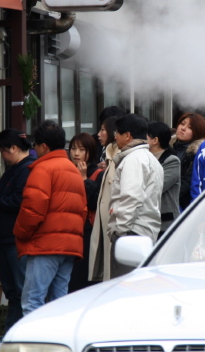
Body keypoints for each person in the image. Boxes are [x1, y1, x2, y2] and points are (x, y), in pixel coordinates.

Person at [14, 120, 87, 316]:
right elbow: (83, 210)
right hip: (69, 246)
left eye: (35, 145)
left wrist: (20, 232)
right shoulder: (73, 170)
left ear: (43, 146)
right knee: (59, 303)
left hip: (45, 245)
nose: (34, 150)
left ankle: (32, 346)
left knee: (32, 302)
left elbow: (32, 209)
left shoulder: (42, 169)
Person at [0, 129, 35, 348]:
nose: (2, 156)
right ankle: (12, 335)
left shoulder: (27, 169)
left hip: (16, 237)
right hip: (6, 236)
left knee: (19, 290)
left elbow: (19, 199)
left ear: (14, 149)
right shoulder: (15, 169)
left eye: (2, 151)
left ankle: (19, 336)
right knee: (13, 290)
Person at [108, 114, 164, 278]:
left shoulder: (134, 159)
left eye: (117, 133)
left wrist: (120, 232)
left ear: (127, 136)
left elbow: (131, 198)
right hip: (145, 234)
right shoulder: (150, 159)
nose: (115, 137)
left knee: (124, 290)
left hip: (131, 235)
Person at [67, 132, 101, 293]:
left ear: (91, 151)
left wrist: (83, 179)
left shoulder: (98, 173)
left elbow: (94, 203)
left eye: (81, 149)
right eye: (73, 148)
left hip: (88, 231)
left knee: (82, 281)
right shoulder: (66, 171)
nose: (76, 153)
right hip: (69, 230)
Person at [88, 115, 120, 282]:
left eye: (102, 130)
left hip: (115, 227)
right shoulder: (108, 155)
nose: (98, 134)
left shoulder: (120, 157)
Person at [147, 121, 181, 236]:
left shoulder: (171, 161)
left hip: (166, 224)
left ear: (155, 140)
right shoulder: (145, 158)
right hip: (148, 222)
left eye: (145, 136)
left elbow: (157, 186)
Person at [170, 113, 205, 210]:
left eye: (189, 127)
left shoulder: (197, 153)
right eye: (182, 124)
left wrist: (169, 197)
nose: (183, 128)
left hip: (182, 204)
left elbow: (187, 182)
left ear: (197, 132)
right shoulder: (167, 146)